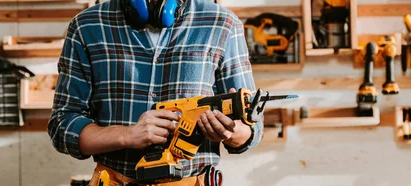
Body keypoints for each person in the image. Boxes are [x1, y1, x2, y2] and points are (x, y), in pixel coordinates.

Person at [47, 0, 263, 185]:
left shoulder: (222, 24)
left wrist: (230, 132)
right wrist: (127, 135)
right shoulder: (87, 26)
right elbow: (62, 126)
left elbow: (252, 128)